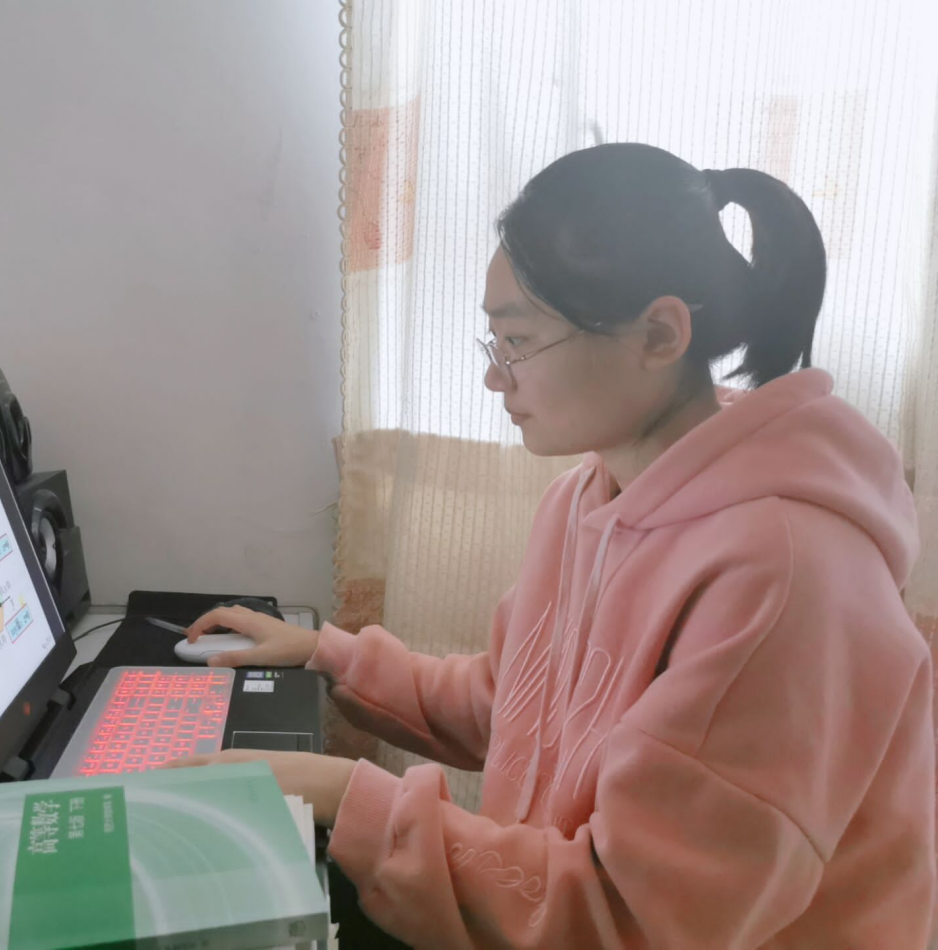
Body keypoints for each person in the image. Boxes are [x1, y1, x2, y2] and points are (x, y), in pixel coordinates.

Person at [166, 143, 936, 948]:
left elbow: (633, 915)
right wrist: (328, 654)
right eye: (493, 342)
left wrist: (342, 794)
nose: (496, 377)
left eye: (519, 340)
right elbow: (516, 710)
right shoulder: (586, 497)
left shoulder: (787, 575)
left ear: (658, 334)